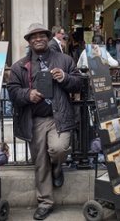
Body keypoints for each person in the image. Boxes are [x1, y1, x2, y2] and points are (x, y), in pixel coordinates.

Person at [7, 23, 82, 220]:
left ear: (48, 38)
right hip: (35, 120)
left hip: (59, 116)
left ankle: (57, 168)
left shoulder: (64, 60)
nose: (38, 38)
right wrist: (27, 94)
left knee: (59, 149)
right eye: (34, 36)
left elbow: (79, 83)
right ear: (29, 41)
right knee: (40, 162)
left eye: (42, 35)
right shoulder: (19, 66)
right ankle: (45, 202)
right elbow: (13, 91)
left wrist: (65, 78)